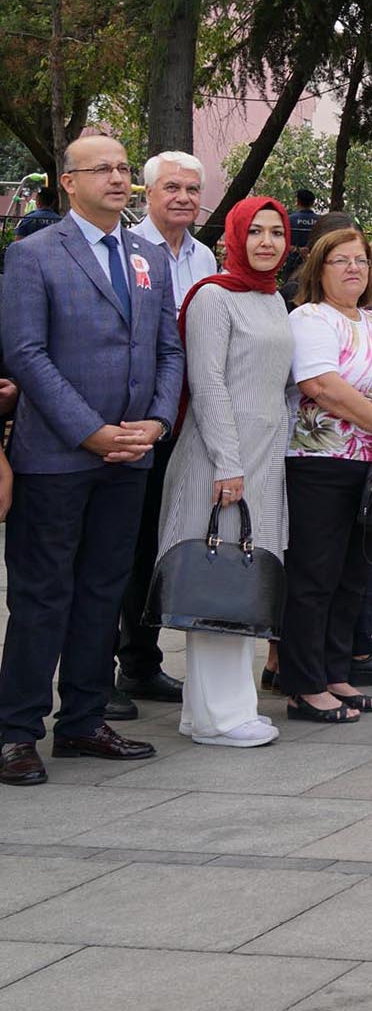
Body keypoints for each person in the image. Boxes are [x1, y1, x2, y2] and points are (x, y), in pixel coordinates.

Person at [0, 135, 180, 786]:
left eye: (124, 167)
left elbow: (168, 349)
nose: (117, 177)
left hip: (130, 456)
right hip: (57, 457)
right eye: (101, 168)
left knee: (104, 591)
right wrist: (91, 432)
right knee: (42, 595)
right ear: (69, 182)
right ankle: (16, 732)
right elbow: (25, 354)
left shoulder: (147, 257)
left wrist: (156, 421)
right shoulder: (32, 254)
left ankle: (83, 720)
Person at [155, 196, 292, 748]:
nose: (266, 242)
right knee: (216, 582)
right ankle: (221, 718)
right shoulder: (214, 295)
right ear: (235, 237)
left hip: (264, 459)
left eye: (276, 232)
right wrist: (228, 464)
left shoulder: (273, 296)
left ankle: (212, 712)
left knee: (243, 582)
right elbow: (207, 383)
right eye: (254, 231)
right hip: (220, 461)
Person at [283, 226, 372, 723]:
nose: (353, 269)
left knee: (353, 577)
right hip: (322, 464)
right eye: (340, 260)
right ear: (319, 269)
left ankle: (336, 673)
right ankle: (304, 685)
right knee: (314, 577)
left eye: (361, 261)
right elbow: (323, 386)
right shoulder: (310, 318)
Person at [115, 149, 213, 716]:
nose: (183, 197)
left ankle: (140, 662)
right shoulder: (125, 251)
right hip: (133, 421)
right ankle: (95, 673)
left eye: (192, 189)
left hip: (185, 422)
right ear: (147, 193)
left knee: (157, 544)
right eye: (171, 187)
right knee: (119, 548)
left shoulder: (205, 256)